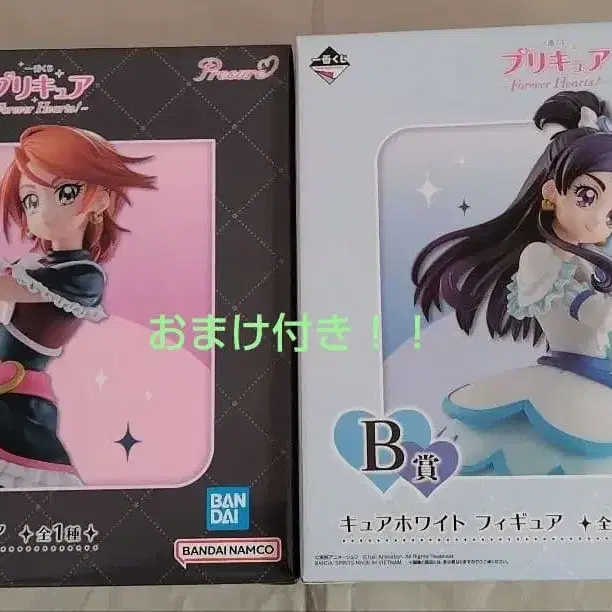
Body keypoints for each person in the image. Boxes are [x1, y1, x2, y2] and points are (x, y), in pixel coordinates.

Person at [412, 90, 612, 476]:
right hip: (573, 374)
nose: (598, 220)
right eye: (587, 196)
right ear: (552, 192)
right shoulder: (540, 257)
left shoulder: (585, 261)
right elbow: (591, 313)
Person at [0, 125, 156, 488]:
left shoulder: (82, 276)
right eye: (30, 200)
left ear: (100, 200)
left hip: (18, 404)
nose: (42, 210)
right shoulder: (31, 267)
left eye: (64, 193)